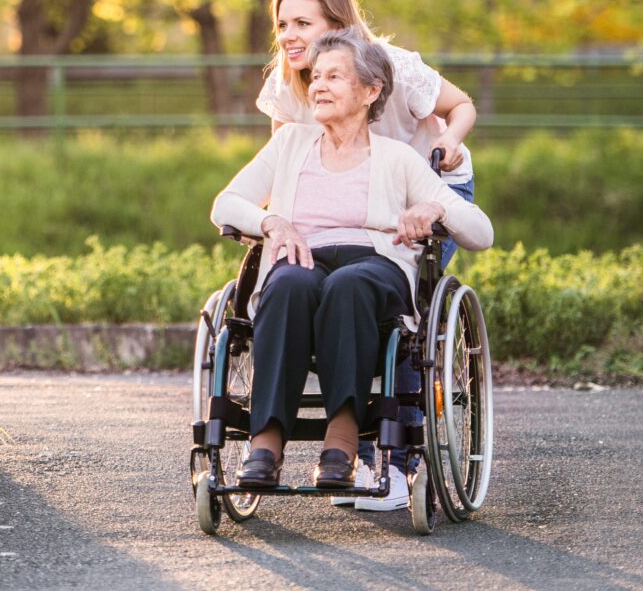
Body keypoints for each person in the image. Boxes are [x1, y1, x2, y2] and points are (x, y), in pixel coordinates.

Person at [211, 29, 493, 492]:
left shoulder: (399, 158)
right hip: (302, 258)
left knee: (350, 285)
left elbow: (481, 231)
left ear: (370, 91)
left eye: (334, 77)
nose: (318, 85)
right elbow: (225, 203)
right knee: (286, 285)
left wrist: (437, 208)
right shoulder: (290, 144)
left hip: (374, 266)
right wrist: (272, 222)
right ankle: (265, 442)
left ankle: (340, 440)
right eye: (316, 76)